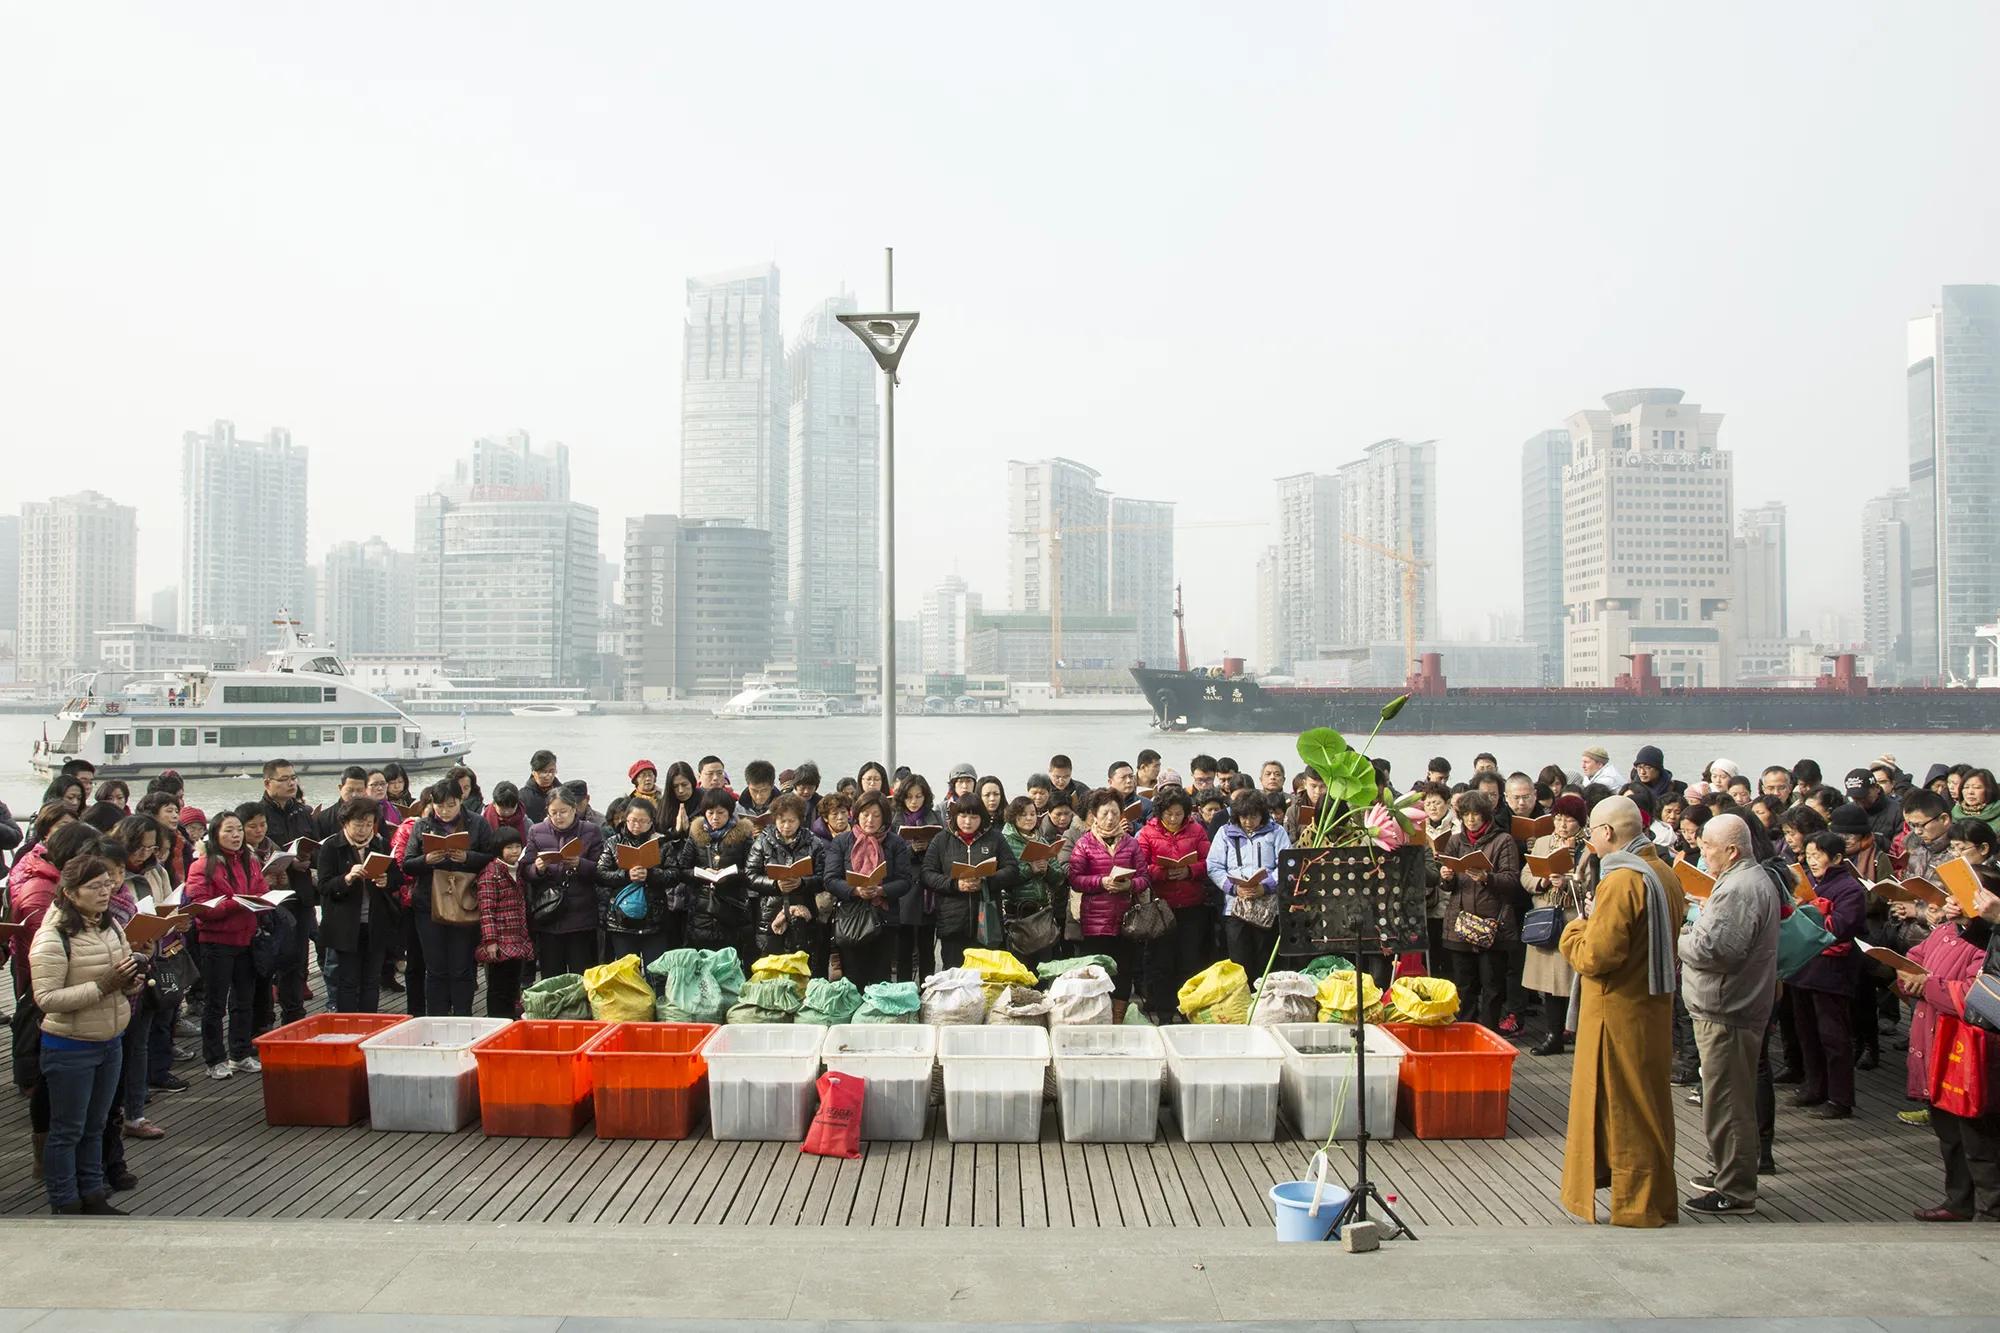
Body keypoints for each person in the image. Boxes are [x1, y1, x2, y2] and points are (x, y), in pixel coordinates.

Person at [1558, 794, 1687, 1228]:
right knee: (1648, 1105)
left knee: (1625, 1109)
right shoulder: (1664, 872)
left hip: (1618, 1011)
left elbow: (1598, 956)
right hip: (1652, 1007)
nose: (1589, 840)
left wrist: (1574, 931)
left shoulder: (1620, 880)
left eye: (1591, 832)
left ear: (1607, 833)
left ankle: (1637, 1207)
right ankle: (1655, 1199)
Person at [1678, 814, 1781, 1216]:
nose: (1702, 853)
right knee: (1724, 1097)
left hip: (1728, 1008)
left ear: (1732, 850)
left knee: (1728, 1101)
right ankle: (1727, 1171)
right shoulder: (1744, 882)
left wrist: (1680, 936)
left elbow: (1715, 950)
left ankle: (1736, 1189)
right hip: (1728, 1005)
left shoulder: (1740, 887)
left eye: (1708, 847)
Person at [31, 854, 142, 1215]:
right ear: (70, 893)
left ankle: (93, 1193)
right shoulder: (53, 936)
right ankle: (64, 1200)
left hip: (110, 1040)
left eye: (107, 884)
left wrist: (130, 984)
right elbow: (46, 999)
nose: (104, 892)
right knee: (67, 1129)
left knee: (96, 1125)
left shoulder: (110, 927)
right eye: (94, 887)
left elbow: (119, 978)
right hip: (69, 1045)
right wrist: (103, 986)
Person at [1903, 873, 2000, 1221]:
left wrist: (1927, 985)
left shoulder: (1986, 940)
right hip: (1935, 1043)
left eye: (1961, 896)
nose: (1951, 903)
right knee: (1949, 1134)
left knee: (1979, 1137)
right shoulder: (1946, 930)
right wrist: (1906, 975)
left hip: (1971, 1047)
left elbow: (1977, 995)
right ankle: (1958, 1200)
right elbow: (1915, 957)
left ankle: (1992, 1210)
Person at [183, 810, 270, 1080]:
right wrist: (238, 902)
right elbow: (202, 908)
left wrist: (264, 899)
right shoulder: (203, 864)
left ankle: (240, 1053)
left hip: (246, 937)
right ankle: (214, 1058)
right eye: (228, 831)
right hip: (216, 942)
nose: (235, 836)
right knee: (215, 1003)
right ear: (215, 834)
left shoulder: (249, 859)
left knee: (244, 1000)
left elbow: (261, 888)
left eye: (238, 830)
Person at [1788, 829, 1866, 1119]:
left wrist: (1809, 913)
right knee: (1806, 1032)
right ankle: (1814, 1086)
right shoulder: (1807, 882)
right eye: (1808, 855)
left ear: (1836, 857)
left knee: (1833, 1036)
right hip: (1803, 965)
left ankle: (1840, 1098)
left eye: (1818, 855)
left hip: (1832, 970)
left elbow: (1842, 926)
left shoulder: (1849, 888)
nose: (1813, 861)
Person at [1438, 790, 1524, 1031]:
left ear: (1485, 815)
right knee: (1464, 984)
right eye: (1466, 815)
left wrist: (1488, 878)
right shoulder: (1455, 841)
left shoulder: (1503, 840)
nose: (1471, 819)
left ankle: (1488, 1031)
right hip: (1460, 922)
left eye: (1476, 814)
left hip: (1492, 923)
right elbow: (1449, 886)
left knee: (1492, 984)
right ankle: (1465, 1030)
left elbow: (1511, 880)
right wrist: (1446, 877)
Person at [1065, 790, 1149, 1016]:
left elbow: (1144, 877)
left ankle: (1118, 1018)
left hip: (1125, 919)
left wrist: (1128, 886)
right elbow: (1075, 878)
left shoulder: (1131, 844)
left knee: (1124, 971)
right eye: (1105, 813)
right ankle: (1094, 1016)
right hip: (1094, 921)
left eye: (1115, 812)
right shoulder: (1084, 844)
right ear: (1094, 815)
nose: (1110, 818)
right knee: (1095, 971)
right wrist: (1101, 882)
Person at [315, 798, 401, 1014]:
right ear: (345, 822)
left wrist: (386, 881)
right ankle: (347, 1026)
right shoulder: (331, 847)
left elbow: (396, 876)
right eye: (358, 824)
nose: (363, 830)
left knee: (371, 980)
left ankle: (369, 1024)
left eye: (368, 824)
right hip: (345, 925)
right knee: (348, 980)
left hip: (374, 923)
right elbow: (324, 886)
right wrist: (347, 878)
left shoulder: (379, 843)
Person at [1522, 793, 1591, 1056]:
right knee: (1549, 984)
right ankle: (1553, 1034)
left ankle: (1574, 1032)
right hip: (1545, 914)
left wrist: (1570, 882)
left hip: (1572, 919)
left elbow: (1593, 884)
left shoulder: (1588, 848)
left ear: (1580, 822)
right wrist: (1543, 881)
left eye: (1569, 820)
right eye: (1559, 819)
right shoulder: (1541, 842)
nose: (1562, 825)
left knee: (1572, 981)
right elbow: (1526, 874)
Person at [921, 796, 1020, 974]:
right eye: (963, 816)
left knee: (987, 976)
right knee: (955, 975)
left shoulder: (994, 838)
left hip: (986, 921)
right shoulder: (942, 839)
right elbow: (927, 873)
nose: (968, 822)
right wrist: (954, 884)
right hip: (952, 921)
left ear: (982, 818)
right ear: (954, 816)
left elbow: (1012, 869)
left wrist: (986, 881)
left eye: (974, 817)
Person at [1137, 788, 1213, 1020]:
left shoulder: (1197, 830)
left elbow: (1210, 861)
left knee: (1188, 958)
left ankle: (1187, 1007)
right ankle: (1163, 1010)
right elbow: (1140, 867)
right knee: (1161, 959)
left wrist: (1190, 870)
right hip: (1161, 907)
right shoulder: (1147, 833)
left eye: (1178, 814)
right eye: (1169, 814)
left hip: (1192, 905)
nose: (1173, 819)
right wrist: (1161, 873)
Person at [254, 759, 318, 1027]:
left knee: (296, 960)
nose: (292, 783)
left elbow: (313, 846)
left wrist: (307, 860)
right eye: (284, 779)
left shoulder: (302, 812)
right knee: (267, 962)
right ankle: (263, 1020)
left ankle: (294, 1018)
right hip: (271, 898)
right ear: (268, 783)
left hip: (300, 894)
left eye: (294, 777)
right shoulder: (256, 815)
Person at [1206, 789, 1290, 985]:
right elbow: (1214, 866)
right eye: (1243, 817)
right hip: (1235, 908)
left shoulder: (1276, 832)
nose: (1248, 821)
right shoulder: (1225, 833)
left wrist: (1266, 886)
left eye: (1253, 816)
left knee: (1266, 959)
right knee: (1240, 961)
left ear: (1262, 814)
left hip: (1267, 908)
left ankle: (1264, 1005)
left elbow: (1286, 864)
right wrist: (1234, 889)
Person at [517, 783, 599, 981]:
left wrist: (580, 864)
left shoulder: (590, 831)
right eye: (553, 812)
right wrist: (537, 868)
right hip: (549, 914)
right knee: (552, 976)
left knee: (582, 976)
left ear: (574, 809)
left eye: (563, 811)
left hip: (581, 915)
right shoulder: (536, 831)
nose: (558, 817)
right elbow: (525, 871)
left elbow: (601, 870)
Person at [747, 794, 827, 972]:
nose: (786, 826)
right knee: (771, 968)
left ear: (800, 820)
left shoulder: (814, 843)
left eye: (791, 821)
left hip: (803, 912)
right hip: (770, 911)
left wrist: (802, 883)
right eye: (782, 821)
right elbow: (750, 875)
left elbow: (823, 878)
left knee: (802, 967)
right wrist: (774, 884)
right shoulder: (763, 841)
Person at [598, 795, 681, 966]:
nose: (637, 825)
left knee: (656, 972)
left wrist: (651, 875)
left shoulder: (662, 843)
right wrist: (626, 875)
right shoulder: (613, 843)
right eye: (633, 820)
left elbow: (674, 874)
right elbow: (601, 874)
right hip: (621, 919)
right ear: (625, 819)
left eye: (643, 821)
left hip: (655, 918)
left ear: (651, 822)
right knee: (627, 972)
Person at [683, 788, 757, 962]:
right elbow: (682, 870)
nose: (715, 817)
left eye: (720, 813)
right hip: (702, 910)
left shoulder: (743, 836)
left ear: (730, 813)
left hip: (733, 909)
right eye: (710, 812)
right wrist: (700, 874)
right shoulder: (696, 835)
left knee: (731, 961)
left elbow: (752, 871)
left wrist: (731, 875)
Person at [999, 795, 1064, 971]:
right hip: (1017, 911)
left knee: (1043, 969)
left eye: (1032, 813)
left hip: (1041, 912)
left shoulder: (1041, 840)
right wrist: (1030, 869)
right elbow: (1003, 877)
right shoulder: (1004, 840)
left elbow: (1059, 877)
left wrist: (1047, 870)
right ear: (1013, 816)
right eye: (1023, 814)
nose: (1029, 818)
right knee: (1020, 969)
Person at [475, 826, 534, 1018]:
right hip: (500, 940)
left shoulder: (519, 870)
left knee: (513, 985)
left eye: (518, 846)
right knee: (497, 988)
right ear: (499, 848)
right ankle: (496, 1022)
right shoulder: (491, 872)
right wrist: (490, 941)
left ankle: (510, 1020)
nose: (515, 851)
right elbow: (486, 910)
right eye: (509, 847)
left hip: (517, 938)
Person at [891, 776, 941, 983]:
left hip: (928, 888)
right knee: (903, 947)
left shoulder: (934, 817)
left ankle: (927, 989)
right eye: (910, 797)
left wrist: (928, 847)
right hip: (905, 889)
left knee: (926, 946)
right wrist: (911, 849)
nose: (914, 801)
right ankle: (904, 989)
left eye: (918, 796)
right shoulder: (896, 820)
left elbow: (942, 850)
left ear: (925, 796)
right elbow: (892, 855)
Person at [1955, 768, 2000, 835]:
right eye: (1966, 787)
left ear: (1989, 790)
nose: (1970, 792)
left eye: (1977, 787)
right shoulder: (1954, 813)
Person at [521, 751, 560, 824]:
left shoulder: (564, 793)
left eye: (552, 771)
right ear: (533, 771)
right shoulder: (523, 797)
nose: (548, 776)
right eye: (543, 772)